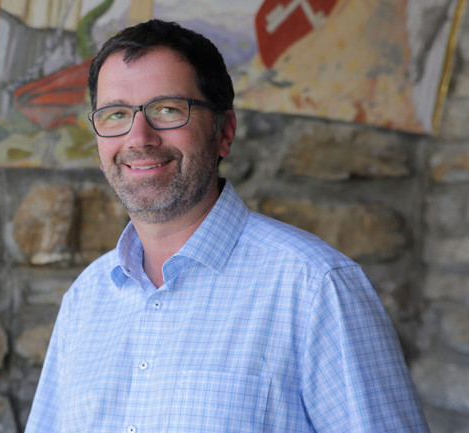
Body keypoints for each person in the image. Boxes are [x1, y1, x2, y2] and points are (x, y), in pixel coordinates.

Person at [25, 19, 429, 432]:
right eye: (115, 115)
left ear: (224, 132)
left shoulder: (315, 287)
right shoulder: (85, 301)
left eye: (168, 110)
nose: (139, 137)